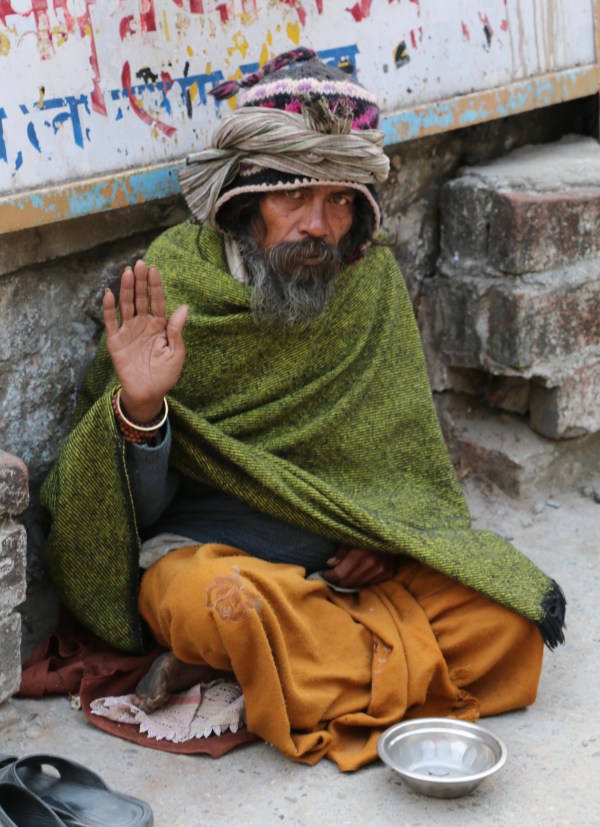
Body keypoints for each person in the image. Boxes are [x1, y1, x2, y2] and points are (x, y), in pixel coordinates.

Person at [41, 48, 565, 772]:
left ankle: (259, 669)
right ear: (245, 198)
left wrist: (385, 540)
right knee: (216, 602)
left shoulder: (367, 282)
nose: (319, 225)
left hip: (344, 569)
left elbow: (402, 461)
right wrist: (140, 406)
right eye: (294, 197)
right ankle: (285, 655)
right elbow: (120, 513)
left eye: (340, 200)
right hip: (214, 560)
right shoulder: (173, 278)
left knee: (510, 620)